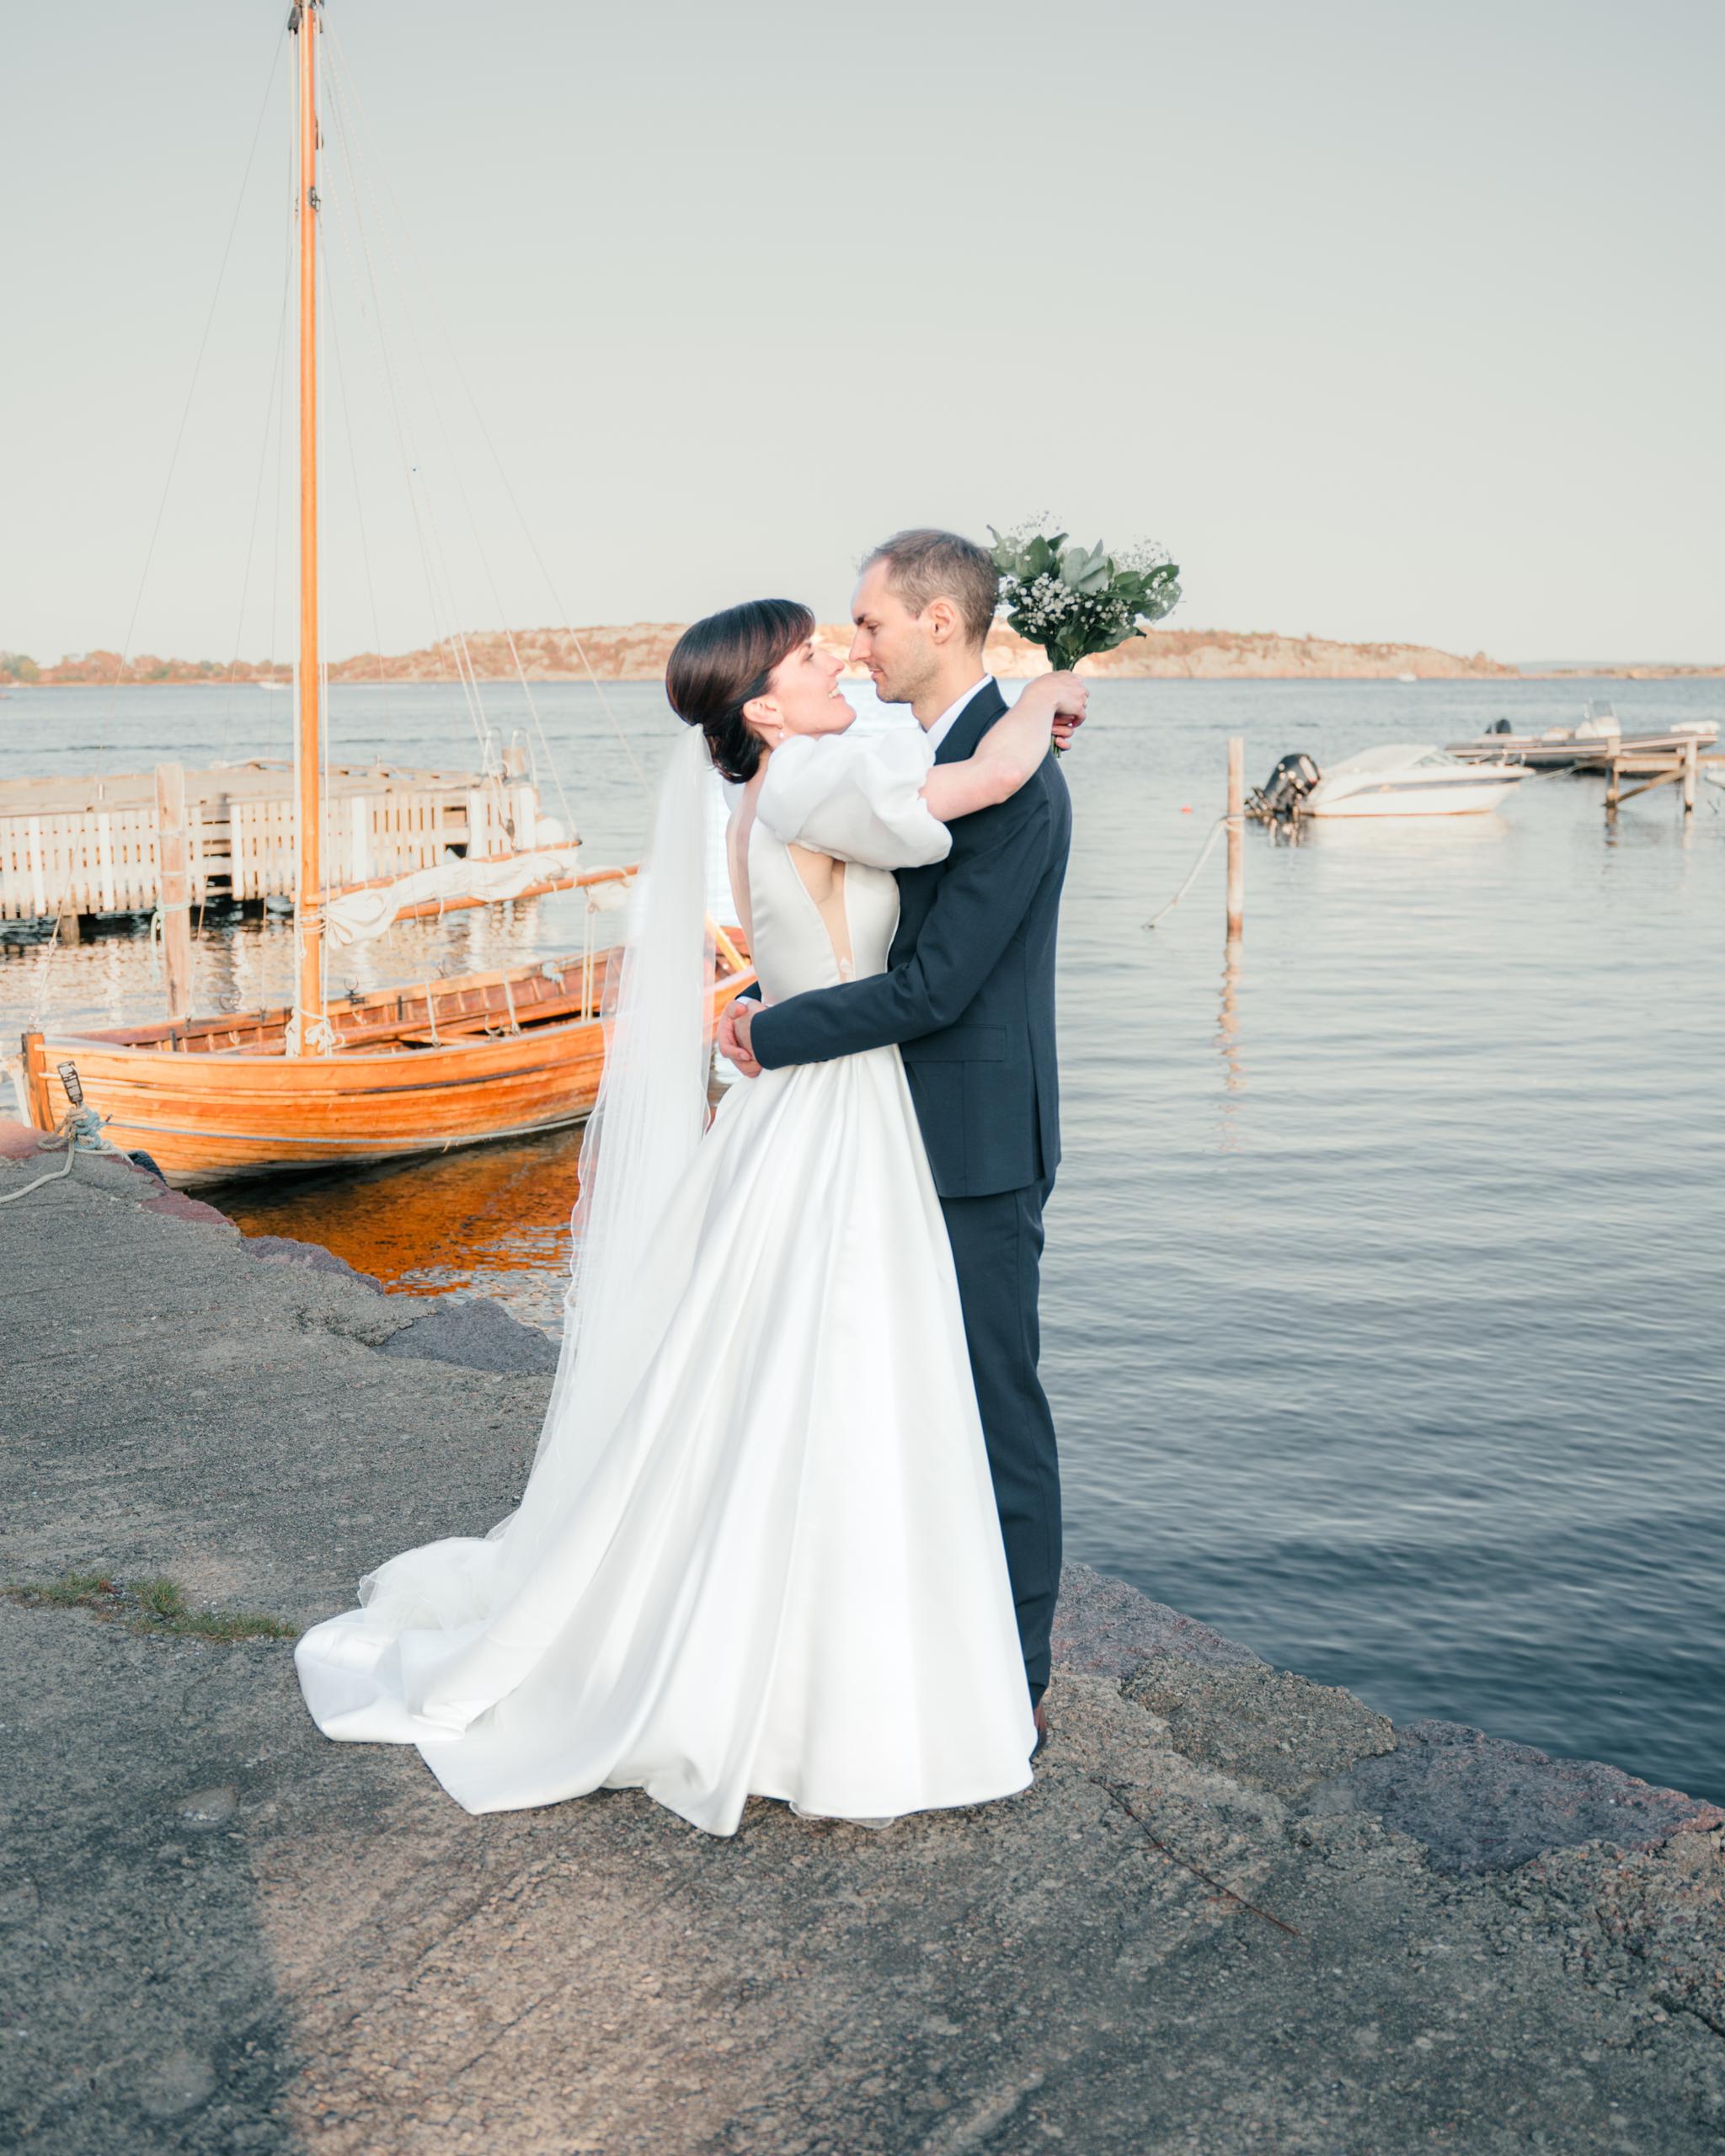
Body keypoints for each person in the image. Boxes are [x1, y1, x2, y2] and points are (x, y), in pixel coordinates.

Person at [294, 594, 1083, 1836]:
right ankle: (831, 1677)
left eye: (847, 636)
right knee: (835, 1378)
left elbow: (840, 910)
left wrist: (766, 1006)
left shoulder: (777, 787)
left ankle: (823, 1651)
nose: (839, 659)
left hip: (826, 1108)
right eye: (814, 653)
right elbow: (968, 799)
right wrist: (1043, 698)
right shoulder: (813, 777)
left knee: (803, 1381)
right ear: (763, 704)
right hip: (838, 1114)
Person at [722, 531, 1075, 1741]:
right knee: (879, 1405)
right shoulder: (905, 753)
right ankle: (889, 1658)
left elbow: (933, 989)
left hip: (971, 1140)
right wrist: (766, 998)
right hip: (866, 1136)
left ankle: (1016, 1683)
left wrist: (773, 1034)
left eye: (869, 623)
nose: (851, 642)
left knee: (991, 1406)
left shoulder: (1014, 777)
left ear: (937, 623)